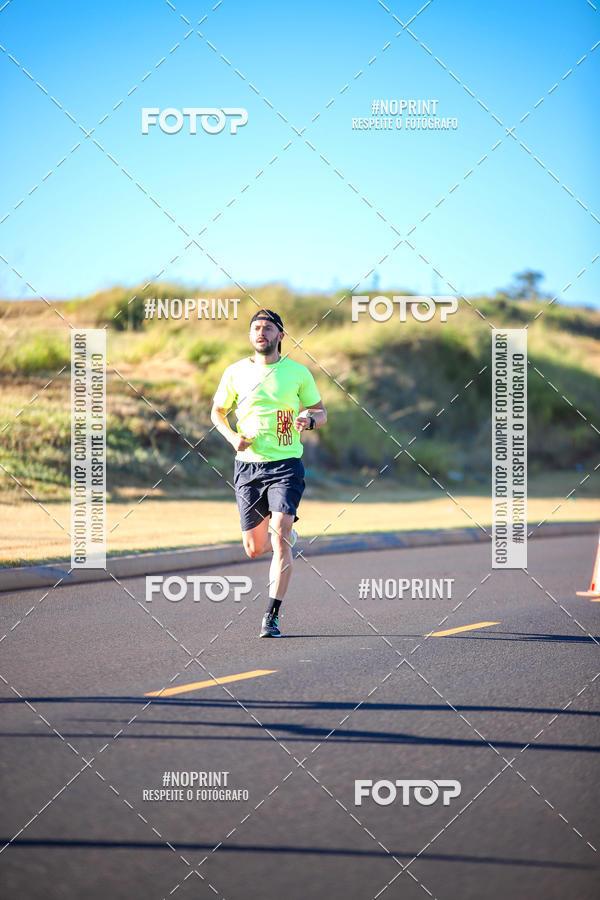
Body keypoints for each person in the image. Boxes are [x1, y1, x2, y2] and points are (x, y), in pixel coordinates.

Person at [210, 309, 327, 637]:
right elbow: (217, 412)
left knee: (280, 534)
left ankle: (271, 616)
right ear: (251, 336)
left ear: (280, 336)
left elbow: (320, 411)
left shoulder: (297, 373)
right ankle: (282, 532)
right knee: (254, 547)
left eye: (268, 328)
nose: (261, 332)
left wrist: (310, 420)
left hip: (286, 464)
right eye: (256, 328)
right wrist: (233, 437)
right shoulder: (234, 372)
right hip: (248, 467)